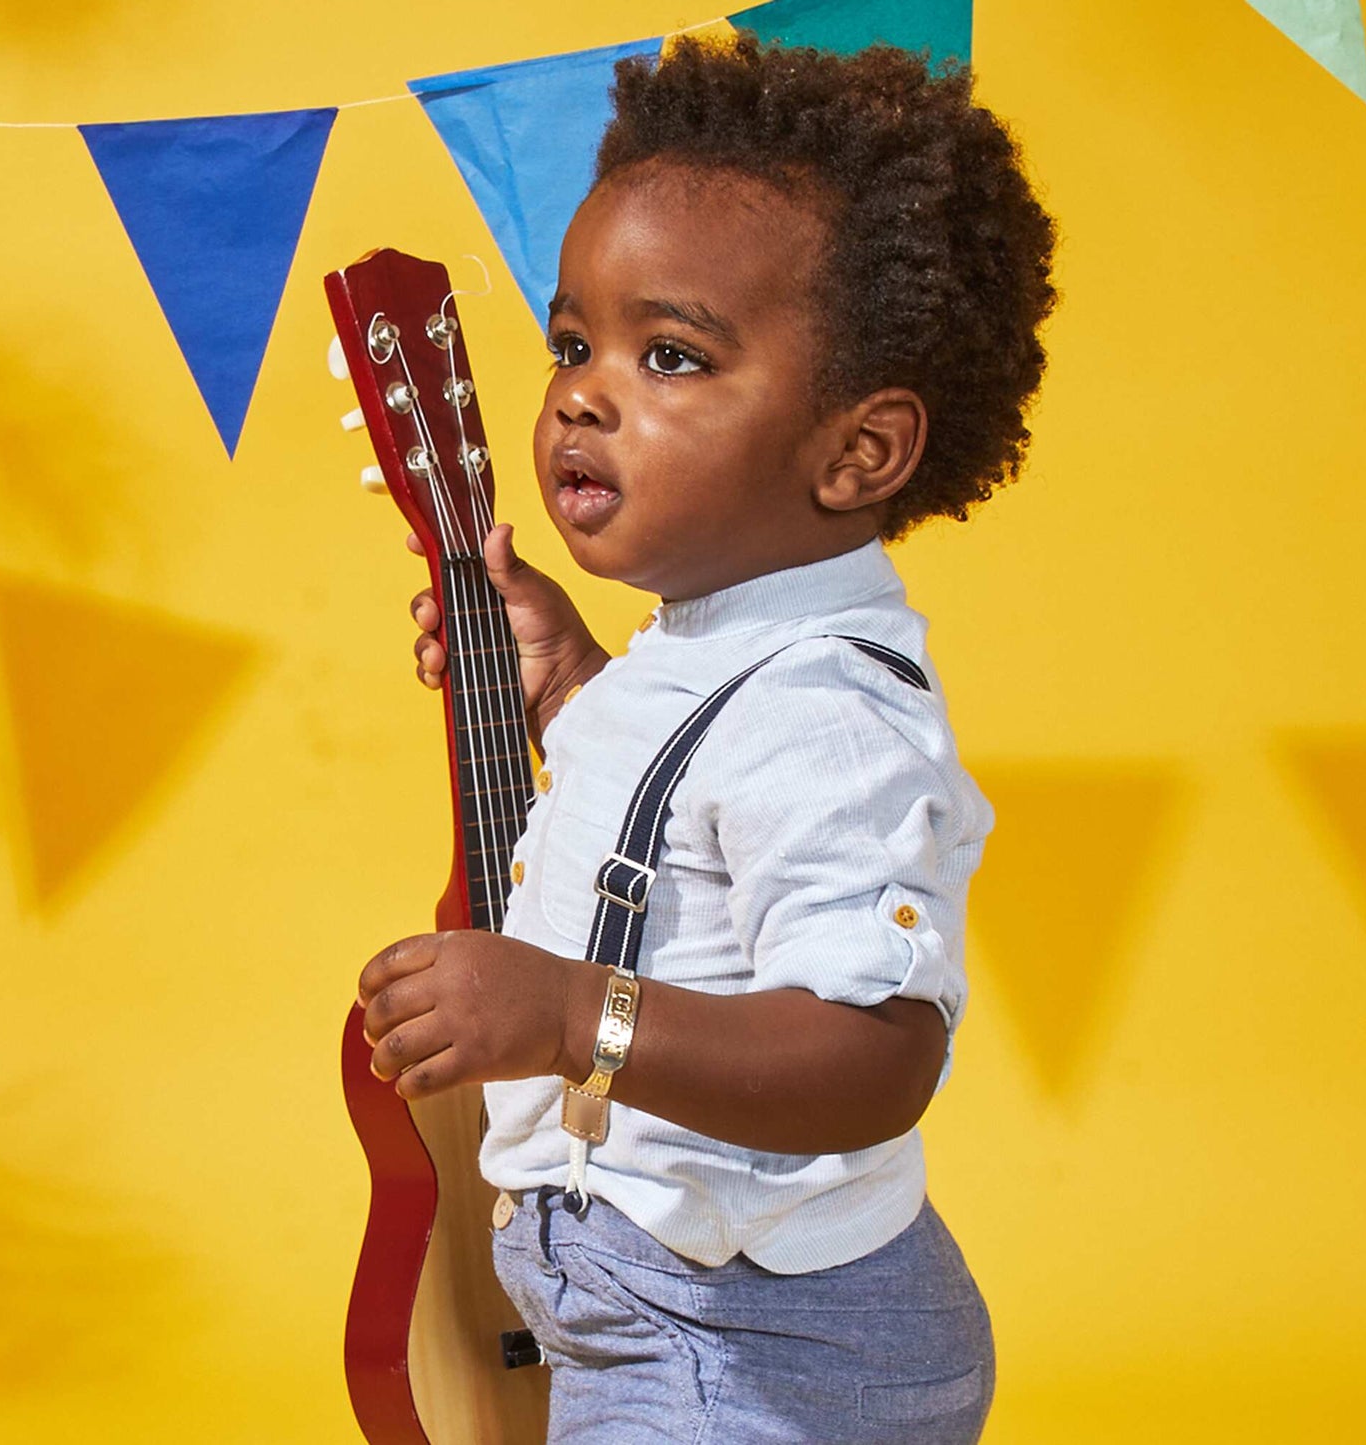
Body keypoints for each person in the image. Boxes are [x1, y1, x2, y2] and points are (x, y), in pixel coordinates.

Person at [359, 34, 1055, 1443]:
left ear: (855, 452)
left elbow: (872, 1055)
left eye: (667, 354)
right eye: (572, 342)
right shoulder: (717, 653)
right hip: (659, 1320)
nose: (581, 391)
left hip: (748, 1350)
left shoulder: (832, 722)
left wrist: (568, 1016)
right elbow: (687, 847)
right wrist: (566, 687)